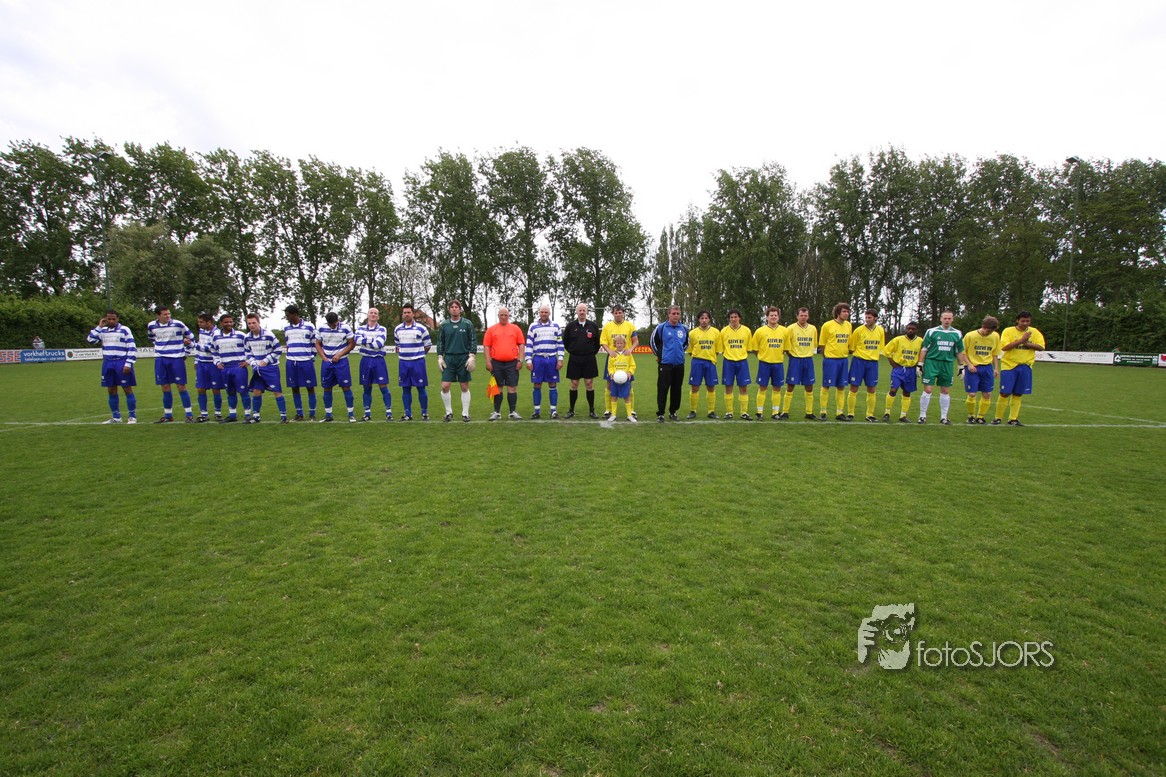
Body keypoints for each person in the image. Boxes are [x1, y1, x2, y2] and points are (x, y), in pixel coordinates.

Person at [917, 309, 970, 425]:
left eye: (949, 318)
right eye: (945, 318)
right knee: (928, 389)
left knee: (945, 390)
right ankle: (922, 415)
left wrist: (961, 366)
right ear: (941, 319)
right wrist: (920, 364)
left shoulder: (957, 333)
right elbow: (924, 348)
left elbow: (959, 351)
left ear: (952, 319)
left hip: (947, 364)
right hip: (932, 362)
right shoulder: (932, 331)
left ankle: (944, 417)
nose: (947, 320)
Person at [994, 311, 1045, 426]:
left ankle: (1013, 418)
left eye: (1028, 321)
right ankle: (998, 418)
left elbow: (1041, 347)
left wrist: (1027, 344)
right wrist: (1022, 340)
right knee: (1005, 392)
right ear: (1017, 320)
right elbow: (1004, 347)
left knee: (1018, 393)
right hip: (1009, 365)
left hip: (1025, 365)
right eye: (1023, 321)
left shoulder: (1034, 332)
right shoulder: (1008, 331)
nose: (1025, 323)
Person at [88, 309, 138, 424]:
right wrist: (99, 327)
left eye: (113, 319)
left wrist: (128, 363)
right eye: (109, 319)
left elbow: (131, 347)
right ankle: (116, 417)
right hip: (108, 363)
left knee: (127, 389)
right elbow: (90, 340)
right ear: (105, 319)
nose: (111, 321)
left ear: (117, 319)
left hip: (121, 362)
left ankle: (132, 416)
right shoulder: (103, 331)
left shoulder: (124, 330)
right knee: (111, 390)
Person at [147, 305, 195, 423]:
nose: (168, 316)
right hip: (160, 359)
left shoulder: (178, 324)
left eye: (169, 313)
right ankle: (168, 415)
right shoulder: (151, 325)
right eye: (165, 314)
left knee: (181, 386)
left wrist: (186, 352)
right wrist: (161, 346)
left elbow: (191, 338)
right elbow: (151, 338)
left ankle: (189, 415)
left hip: (176, 359)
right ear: (158, 315)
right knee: (165, 387)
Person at [243, 313, 287, 424]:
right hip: (257, 368)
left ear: (258, 322)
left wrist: (266, 360)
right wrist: (253, 363)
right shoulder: (247, 337)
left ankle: (283, 416)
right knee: (256, 391)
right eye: (249, 323)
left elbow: (278, 349)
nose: (251, 325)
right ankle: (256, 416)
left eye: (254, 323)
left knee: (276, 391)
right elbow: (247, 353)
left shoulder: (268, 335)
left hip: (270, 368)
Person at [436, 299, 475, 423]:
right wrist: (440, 356)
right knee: (445, 386)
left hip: (463, 358)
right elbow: (440, 341)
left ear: (460, 309)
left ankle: (465, 414)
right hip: (449, 358)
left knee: (464, 386)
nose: (454, 309)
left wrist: (472, 355)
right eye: (452, 307)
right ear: (449, 310)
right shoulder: (444, 325)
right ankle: (448, 412)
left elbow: (472, 340)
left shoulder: (467, 324)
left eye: (456, 307)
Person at [484, 307, 525, 420]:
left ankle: (512, 412)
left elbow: (521, 345)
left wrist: (520, 360)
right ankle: (496, 412)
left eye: (505, 315)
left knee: (512, 387)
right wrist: (488, 361)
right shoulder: (491, 329)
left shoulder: (515, 329)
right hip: (496, 363)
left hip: (512, 363)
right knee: (498, 387)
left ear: (508, 316)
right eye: (501, 315)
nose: (503, 317)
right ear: (498, 316)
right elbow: (486, 346)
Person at [315, 311, 357, 422]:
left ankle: (351, 414)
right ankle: (328, 415)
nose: (332, 326)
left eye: (334, 324)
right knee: (327, 387)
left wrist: (339, 354)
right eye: (330, 325)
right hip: (327, 362)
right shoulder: (321, 328)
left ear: (337, 320)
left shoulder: (345, 328)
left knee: (346, 387)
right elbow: (317, 344)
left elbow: (352, 344)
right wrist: (324, 358)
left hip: (341, 362)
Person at [394, 304, 432, 421]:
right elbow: (397, 345)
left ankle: (424, 413)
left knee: (421, 388)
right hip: (403, 363)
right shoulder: (397, 329)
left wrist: (418, 355)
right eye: (404, 313)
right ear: (402, 314)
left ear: (413, 314)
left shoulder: (421, 328)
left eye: (408, 312)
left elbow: (427, 345)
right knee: (405, 388)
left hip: (418, 363)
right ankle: (408, 414)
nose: (406, 314)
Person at [599, 303, 638, 419]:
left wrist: (630, 349)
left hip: (626, 358)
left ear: (623, 313)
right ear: (613, 314)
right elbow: (603, 342)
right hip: (613, 358)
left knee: (629, 383)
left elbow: (636, 341)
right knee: (609, 383)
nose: (618, 314)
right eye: (616, 312)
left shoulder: (630, 326)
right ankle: (608, 410)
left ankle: (631, 411)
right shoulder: (607, 326)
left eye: (620, 312)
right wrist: (610, 351)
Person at [650, 305, 688, 422]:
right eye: (673, 313)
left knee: (677, 389)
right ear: (669, 314)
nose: (676, 315)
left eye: (678, 313)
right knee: (663, 388)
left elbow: (686, 344)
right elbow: (652, 343)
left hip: (679, 364)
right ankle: (661, 413)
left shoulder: (684, 329)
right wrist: (660, 356)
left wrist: (680, 354)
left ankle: (673, 412)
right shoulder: (661, 328)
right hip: (665, 364)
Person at [562, 302, 601, 418]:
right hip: (574, 359)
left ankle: (592, 411)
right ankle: (571, 410)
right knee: (574, 384)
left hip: (589, 358)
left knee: (589, 383)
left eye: (584, 310)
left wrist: (590, 353)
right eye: (580, 310)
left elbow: (597, 343)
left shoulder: (593, 326)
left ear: (587, 312)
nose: (582, 312)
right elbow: (565, 342)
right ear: (577, 312)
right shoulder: (570, 326)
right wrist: (574, 351)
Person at [525, 303, 564, 419]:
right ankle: (536, 411)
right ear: (539, 313)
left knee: (552, 384)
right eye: (542, 312)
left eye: (546, 312)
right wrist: (528, 360)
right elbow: (529, 344)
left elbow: (560, 343)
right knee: (537, 384)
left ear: (549, 313)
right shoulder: (533, 326)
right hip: (538, 359)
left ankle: (553, 411)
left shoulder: (556, 326)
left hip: (551, 359)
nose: (544, 314)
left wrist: (560, 359)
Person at [210, 313, 250, 423]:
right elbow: (213, 350)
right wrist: (217, 362)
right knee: (230, 392)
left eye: (231, 322)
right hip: (225, 367)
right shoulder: (216, 336)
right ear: (221, 323)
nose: (229, 324)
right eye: (226, 322)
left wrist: (248, 361)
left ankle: (247, 415)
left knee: (243, 391)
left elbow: (250, 347)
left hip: (238, 367)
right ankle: (232, 415)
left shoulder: (240, 335)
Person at [847, 308, 885, 422]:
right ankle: (850, 413)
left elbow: (881, 347)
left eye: (870, 317)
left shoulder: (880, 330)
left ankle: (870, 414)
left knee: (872, 388)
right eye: (866, 317)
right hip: (858, 362)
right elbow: (852, 347)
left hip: (873, 363)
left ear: (875, 318)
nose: (867, 320)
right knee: (854, 387)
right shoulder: (858, 330)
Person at [355, 307, 392, 421]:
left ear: (378, 317)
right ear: (368, 315)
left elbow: (379, 344)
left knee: (383, 386)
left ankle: (389, 413)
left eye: (375, 313)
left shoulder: (382, 329)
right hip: (365, 360)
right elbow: (357, 340)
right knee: (366, 387)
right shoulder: (360, 328)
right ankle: (367, 414)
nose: (373, 314)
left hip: (378, 360)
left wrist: (365, 341)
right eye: (371, 312)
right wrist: (372, 341)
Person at [962, 316, 1001, 424]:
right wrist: (969, 364)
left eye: (992, 331)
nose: (989, 333)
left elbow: (994, 354)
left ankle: (980, 417)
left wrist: (996, 368)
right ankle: (971, 415)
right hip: (972, 367)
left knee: (987, 393)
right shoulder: (970, 335)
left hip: (987, 367)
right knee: (972, 394)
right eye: (988, 331)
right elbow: (962, 352)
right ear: (983, 326)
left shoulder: (995, 336)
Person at [283, 305, 318, 421]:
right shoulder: (286, 328)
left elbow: (314, 343)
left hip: (306, 362)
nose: (287, 318)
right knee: (294, 388)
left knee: (310, 387)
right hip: (291, 362)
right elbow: (288, 343)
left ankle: (312, 414)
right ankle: (299, 414)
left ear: (295, 314)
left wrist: (312, 358)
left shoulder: (309, 326)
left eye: (288, 315)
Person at [751, 307, 787, 420]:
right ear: (767, 317)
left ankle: (775, 412)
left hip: (778, 364)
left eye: (775, 315)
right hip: (764, 364)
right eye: (771, 315)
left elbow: (785, 348)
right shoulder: (760, 331)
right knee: (762, 387)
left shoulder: (784, 331)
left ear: (778, 317)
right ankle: (759, 412)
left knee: (777, 388)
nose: (773, 317)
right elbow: (755, 349)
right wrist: (762, 357)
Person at [882, 322, 922, 422]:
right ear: (906, 329)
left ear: (916, 330)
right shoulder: (898, 340)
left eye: (913, 329)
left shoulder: (920, 341)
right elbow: (886, 351)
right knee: (893, 390)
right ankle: (887, 413)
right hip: (898, 369)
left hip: (911, 369)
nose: (910, 330)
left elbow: (923, 354)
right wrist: (892, 362)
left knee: (907, 392)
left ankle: (903, 415)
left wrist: (919, 365)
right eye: (909, 328)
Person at [818, 302, 852, 421]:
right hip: (831, 360)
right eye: (844, 311)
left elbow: (849, 343)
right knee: (826, 386)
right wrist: (827, 357)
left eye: (848, 312)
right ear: (838, 312)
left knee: (841, 386)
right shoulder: (827, 325)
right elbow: (822, 344)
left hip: (843, 360)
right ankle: (823, 412)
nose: (846, 314)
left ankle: (839, 413)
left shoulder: (848, 325)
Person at [783, 307, 818, 420]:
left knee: (809, 386)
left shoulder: (813, 329)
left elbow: (814, 344)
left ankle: (809, 412)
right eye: (801, 315)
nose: (803, 317)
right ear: (797, 316)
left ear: (808, 316)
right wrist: (793, 356)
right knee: (790, 385)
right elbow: (787, 345)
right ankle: (785, 412)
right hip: (795, 360)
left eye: (805, 315)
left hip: (808, 360)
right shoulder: (790, 328)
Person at [686, 310, 720, 419]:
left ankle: (711, 411)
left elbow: (717, 350)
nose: (704, 320)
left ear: (709, 319)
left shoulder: (716, 332)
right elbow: (690, 350)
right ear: (699, 320)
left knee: (711, 386)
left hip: (710, 362)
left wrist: (710, 357)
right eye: (702, 318)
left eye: (706, 318)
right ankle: (693, 411)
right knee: (695, 387)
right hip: (697, 362)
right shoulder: (692, 333)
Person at [720, 309, 753, 420]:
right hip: (728, 362)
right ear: (729, 319)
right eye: (731, 317)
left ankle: (744, 412)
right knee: (728, 386)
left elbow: (748, 348)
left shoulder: (746, 331)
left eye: (735, 317)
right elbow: (721, 348)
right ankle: (729, 412)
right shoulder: (724, 331)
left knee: (743, 387)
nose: (733, 319)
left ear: (739, 318)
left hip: (742, 362)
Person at [193, 313, 223, 422]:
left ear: (209, 322)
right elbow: (200, 345)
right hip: (202, 363)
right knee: (200, 388)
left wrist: (193, 345)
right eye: (199, 322)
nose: (199, 324)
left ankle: (218, 413)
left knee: (216, 389)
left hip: (213, 363)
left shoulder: (217, 333)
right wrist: (196, 360)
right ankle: (204, 414)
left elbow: (211, 348)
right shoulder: (202, 331)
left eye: (201, 322)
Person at [606, 334, 637, 422]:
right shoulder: (612, 354)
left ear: (624, 344)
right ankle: (613, 415)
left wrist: (629, 372)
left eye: (621, 343)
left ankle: (629, 415)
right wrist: (611, 373)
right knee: (614, 397)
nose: (619, 345)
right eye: (617, 343)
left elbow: (632, 365)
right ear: (615, 344)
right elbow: (610, 367)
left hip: (626, 380)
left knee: (627, 397)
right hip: (614, 380)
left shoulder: (628, 354)